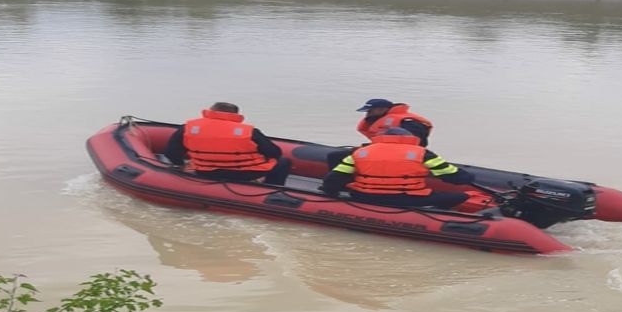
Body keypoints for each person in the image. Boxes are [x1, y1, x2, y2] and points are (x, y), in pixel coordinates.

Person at [320, 128, 474, 210]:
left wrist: (332, 193)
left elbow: (334, 177)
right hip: (404, 197)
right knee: (459, 197)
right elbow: (452, 175)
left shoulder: (360, 152)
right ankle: (431, 213)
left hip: (363, 196)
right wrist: (469, 178)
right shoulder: (422, 153)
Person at [164, 102, 292, 186]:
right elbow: (274, 152)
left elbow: (171, 152)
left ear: (211, 111)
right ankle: (271, 190)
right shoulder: (249, 131)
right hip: (246, 174)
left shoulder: (188, 128)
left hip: (204, 172)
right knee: (282, 162)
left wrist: (180, 165)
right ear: (236, 115)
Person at [325, 98, 435, 171]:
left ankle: (338, 185)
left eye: (370, 111)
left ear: (382, 109)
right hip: (382, 149)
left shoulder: (408, 123)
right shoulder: (380, 119)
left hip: (401, 154)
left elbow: (417, 143)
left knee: (335, 157)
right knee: (336, 155)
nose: (367, 114)